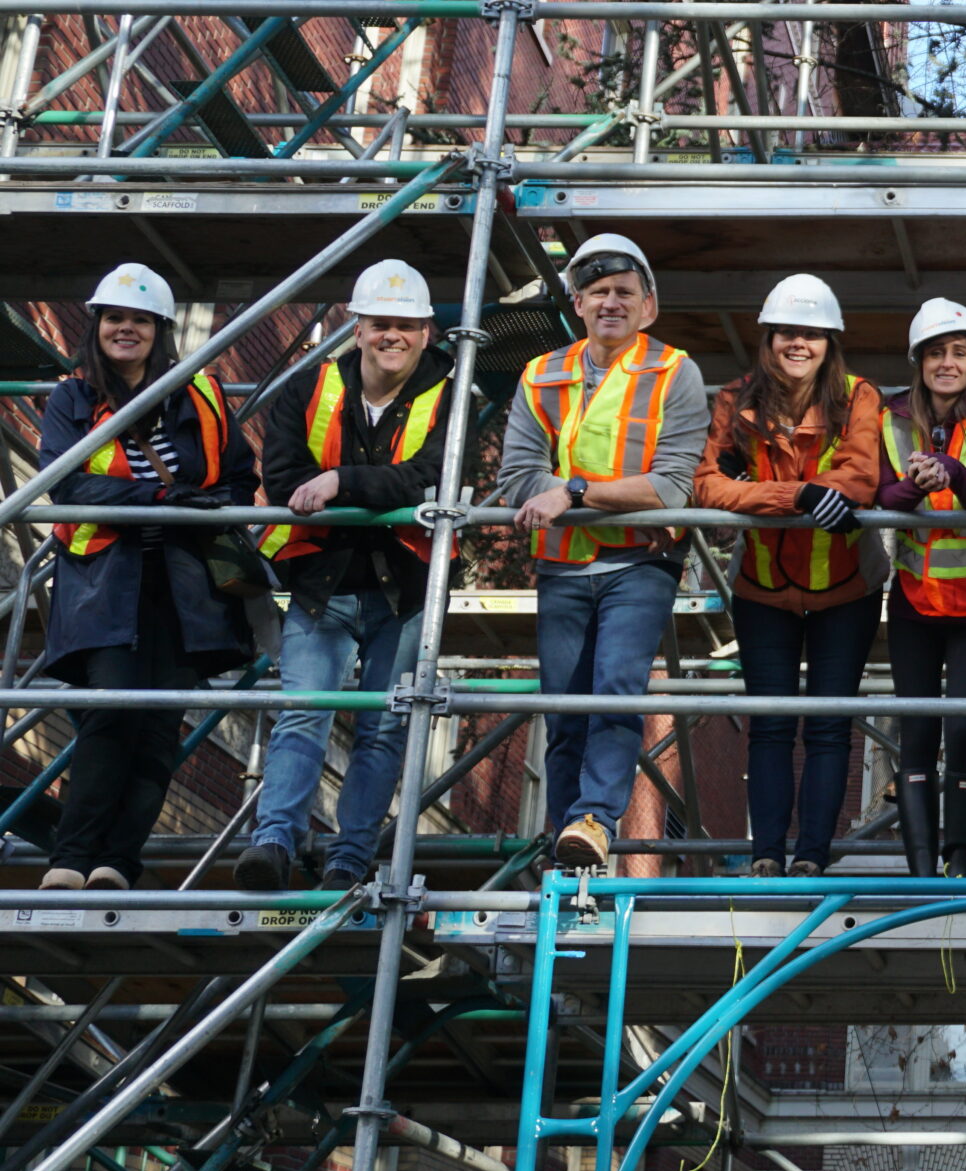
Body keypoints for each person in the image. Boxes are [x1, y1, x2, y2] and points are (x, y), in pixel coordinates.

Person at [237, 259, 455, 893]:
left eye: (406, 326)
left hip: (406, 588)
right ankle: (273, 841)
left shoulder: (450, 396)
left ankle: (348, 856)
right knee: (304, 711)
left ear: (427, 332)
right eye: (380, 324)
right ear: (356, 329)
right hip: (320, 584)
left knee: (383, 728)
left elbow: (432, 477)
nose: (393, 336)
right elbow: (281, 480)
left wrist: (339, 483)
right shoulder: (307, 392)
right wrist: (367, 490)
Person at [38, 264, 257, 891]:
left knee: (158, 725)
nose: (125, 329)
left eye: (139, 320)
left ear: (160, 331)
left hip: (184, 584)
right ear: (97, 327)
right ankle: (70, 860)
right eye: (114, 318)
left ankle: (116, 864)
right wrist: (161, 497)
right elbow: (65, 481)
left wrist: (208, 507)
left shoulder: (204, 396)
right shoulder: (73, 397)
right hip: (103, 581)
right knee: (109, 714)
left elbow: (240, 478)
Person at [496, 233, 708, 874]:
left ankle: (595, 818)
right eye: (597, 293)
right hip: (561, 565)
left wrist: (574, 492)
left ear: (648, 306)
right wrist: (562, 497)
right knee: (564, 707)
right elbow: (514, 477)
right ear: (578, 304)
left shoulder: (676, 372)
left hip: (639, 564)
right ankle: (569, 840)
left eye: (623, 292)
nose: (610, 303)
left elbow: (671, 486)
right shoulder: (541, 374)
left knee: (616, 688)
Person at [693, 275, 883, 878]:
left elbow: (860, 474)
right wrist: (796, 495)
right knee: (769, 728)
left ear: (830, 341)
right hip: (763, 588)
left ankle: (810, 861)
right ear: (768, 338)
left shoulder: (858, 396)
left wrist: (790, 494)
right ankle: (766, 857)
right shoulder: (736, 399)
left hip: (846, 587)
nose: (797, 343)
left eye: (811, 334)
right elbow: (707, 484)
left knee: (829, 729)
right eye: (786, 333)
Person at [878, 299, 966, 878]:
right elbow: (880, 499)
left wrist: (956, 475)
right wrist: (915, 485)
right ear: (919, 361)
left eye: (959, 352)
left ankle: (961, 862)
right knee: (915, 732)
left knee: (963, 730)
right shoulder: (889, 418)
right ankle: (919, 871)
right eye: (936, 352)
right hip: (913, 595)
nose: (947, 362)